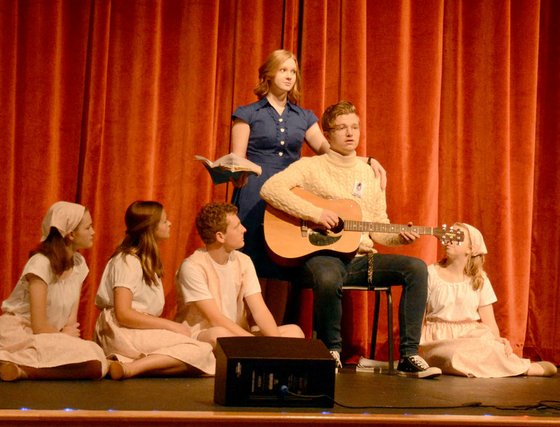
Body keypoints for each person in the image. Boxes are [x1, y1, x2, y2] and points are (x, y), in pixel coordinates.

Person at [260, 100, 440, 378]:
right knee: (329, 276)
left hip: (360, 259)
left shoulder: (369, 172)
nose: (350, 133)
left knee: (416, 268)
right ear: (328, 134)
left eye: (354, 127)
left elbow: (379, 226)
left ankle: (409, 354)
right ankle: (330, 351)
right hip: (320, 257)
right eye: (342, 128)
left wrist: (399, 238)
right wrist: (316, 213)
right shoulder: (311, 167)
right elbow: (270, 189)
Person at [230, 49, 386, 285]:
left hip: (291, 192)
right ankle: (243, 321)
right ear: (269, 74)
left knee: (281, 260)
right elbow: (237, 160)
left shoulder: (304, 116)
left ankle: (275, 323)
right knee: (249, 258)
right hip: (254, 189)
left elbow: (329, 150)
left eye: (293, 71)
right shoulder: (248, 113)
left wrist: (365, 160)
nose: (289, 76)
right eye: (283, 70)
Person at [0, 201, 108, 381]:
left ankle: (11, 367)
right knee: (89, 356)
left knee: (95, 360)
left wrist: (67, 338)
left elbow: (70, 323)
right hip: (22, 334)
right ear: (71, 234)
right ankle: (6, 361)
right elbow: (38, 325)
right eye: (88, 227)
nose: (93, 232)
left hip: (52, 336)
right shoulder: (40, 264)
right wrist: (63, 337)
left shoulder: (79, 264)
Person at [94, 201, 215, 380]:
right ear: (150, 227)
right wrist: (171, 325)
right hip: (121, 330)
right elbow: (124, 314)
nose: (170, 224)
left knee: (203, 356)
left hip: (138, 329)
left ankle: (128, 365)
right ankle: (131, 369)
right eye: (164, 221)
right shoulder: (127, 261)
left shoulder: (146, 260)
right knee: (201, 351)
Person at [420, 223, 557, 378]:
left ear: (470, 250)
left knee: (490, 346)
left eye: (457, 237)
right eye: (448, 235)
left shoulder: (479, 279)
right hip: (439, 339)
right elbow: (419, 316)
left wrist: (497, 341)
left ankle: (520, 366)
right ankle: (517, 369)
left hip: (471, 336)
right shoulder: (430, 273)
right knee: (455, 355)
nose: (449, 239)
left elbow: (489, 322)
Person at [175, 202, 304, 346]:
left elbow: (259, 309)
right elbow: (215, 319)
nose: (244, 229)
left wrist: (275, 344)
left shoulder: (243, 260)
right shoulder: (193, 267)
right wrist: (255, 343)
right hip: (204, 334)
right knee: (219, 334)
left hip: (238, 333)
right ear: (220, 236)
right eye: (237, 227)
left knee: (294, 332)